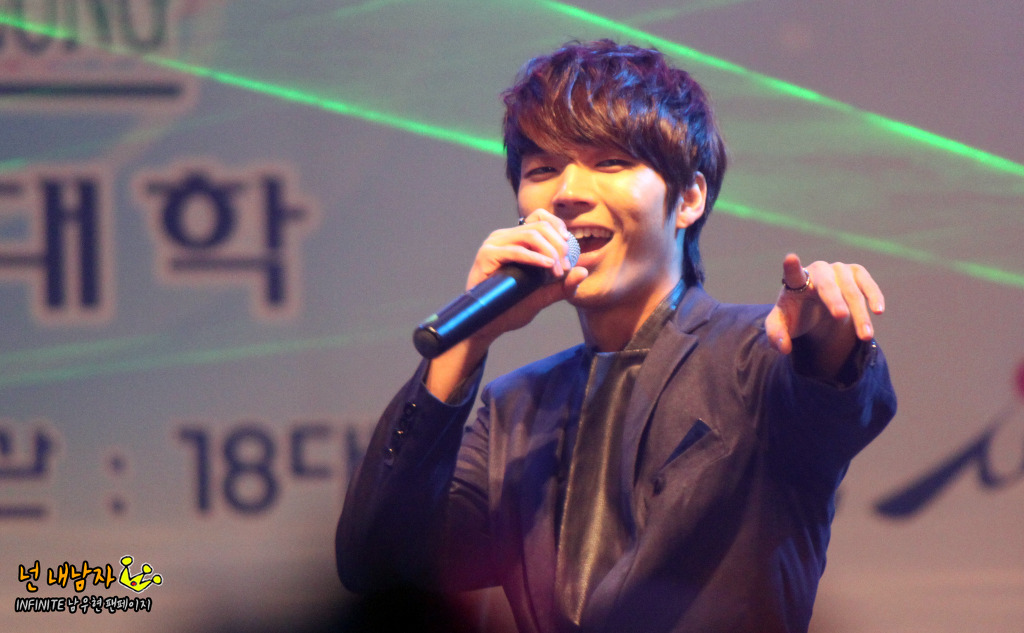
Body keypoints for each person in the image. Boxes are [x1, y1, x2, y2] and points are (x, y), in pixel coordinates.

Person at [336, 39, 896, 633]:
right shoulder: (514, 412)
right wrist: (466, 343)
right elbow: (379, 566)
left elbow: (837, 396)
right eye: (542, 170)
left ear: (689, 198)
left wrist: (830, 334)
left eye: (609, 163)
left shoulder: (754, 357)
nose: (568, 193)